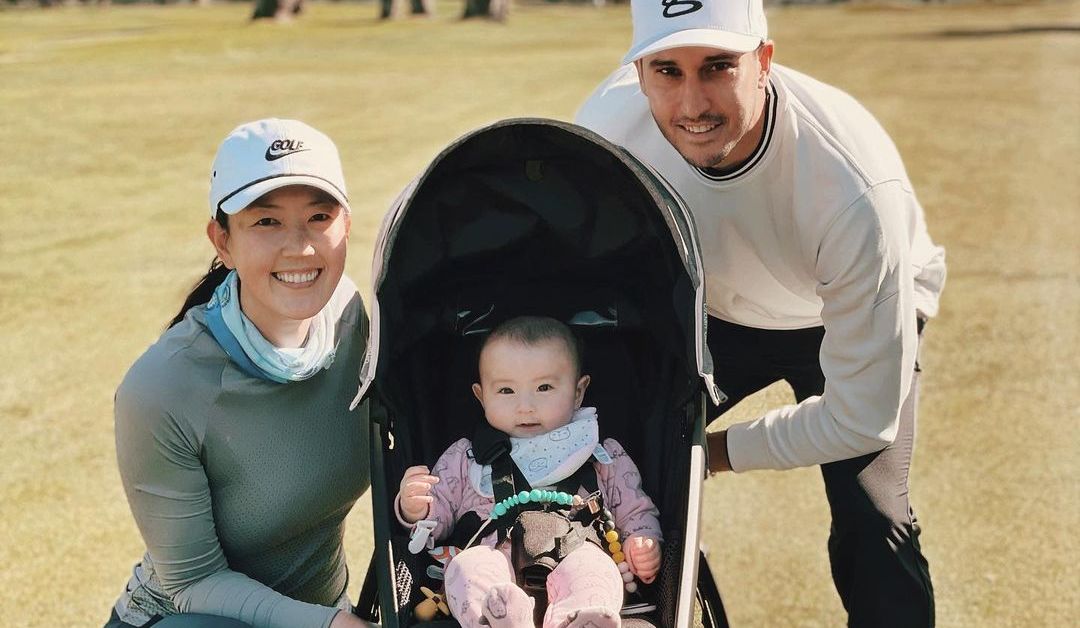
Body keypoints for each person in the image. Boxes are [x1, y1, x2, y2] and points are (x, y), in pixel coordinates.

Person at [575, 1, 945, 626]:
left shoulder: (854, 187)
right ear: (638, 73)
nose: (692, 104)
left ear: (764, 62)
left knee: (873, 515)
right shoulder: (607, 131)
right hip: (715, 311)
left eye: (718, 66)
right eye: (667, 70)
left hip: (842, 310)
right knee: (618, 473)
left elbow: (860, 421)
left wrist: (706, 452)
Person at [107, 119, 373, 628]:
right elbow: (192, 583)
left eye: (319, 216)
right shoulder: (162, 386)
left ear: (346, 226)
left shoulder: (360, 321)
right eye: (266, 222)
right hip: (189, 620)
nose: (299, 247)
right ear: (222, 240)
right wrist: (327, 625)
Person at [396, 316, 662, 628]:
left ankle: (577, 620)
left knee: (596, 569)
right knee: (466, 568)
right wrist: (416, 508)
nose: (525, 406)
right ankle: (495, 619)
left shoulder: (602, 455)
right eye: (506, 391)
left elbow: (634, 509)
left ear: (578, 392)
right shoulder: (465, 458)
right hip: (494, 563)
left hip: (577, 556)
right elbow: (439, 513)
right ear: (482, 396)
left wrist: (642, 540)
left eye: (544, 387)